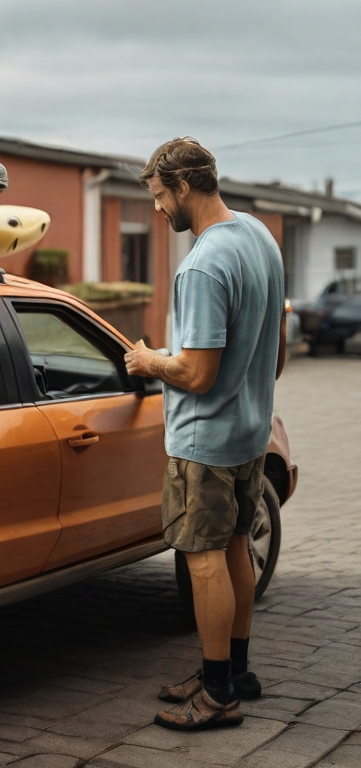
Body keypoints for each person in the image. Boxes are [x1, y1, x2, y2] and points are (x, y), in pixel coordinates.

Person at [125, 137, 287, 731]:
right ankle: (232, 670)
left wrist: (149, 362)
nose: (159, 210)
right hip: (249, 435)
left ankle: (218, 695)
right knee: (237, 546)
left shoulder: (201, 265)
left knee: (203, 560)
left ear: (184, 188)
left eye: (161, 197)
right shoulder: (260, 237)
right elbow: (276, 355)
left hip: (205, 445)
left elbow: (196, 371)